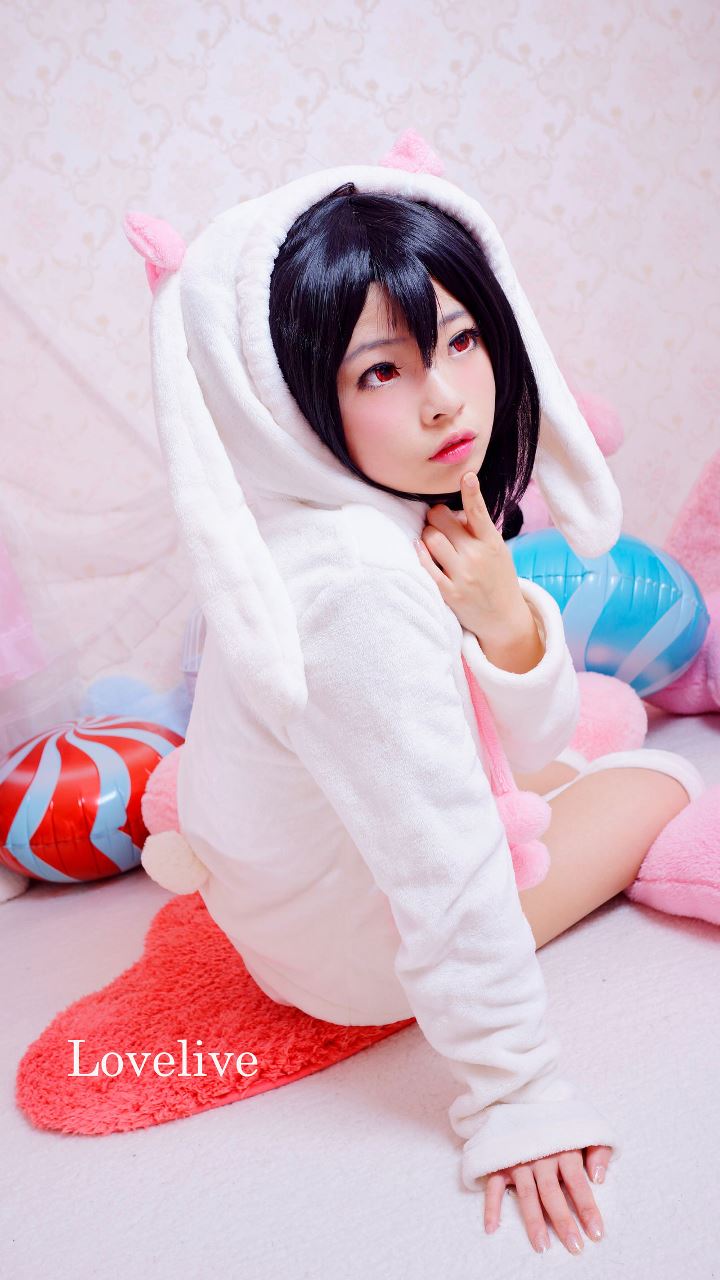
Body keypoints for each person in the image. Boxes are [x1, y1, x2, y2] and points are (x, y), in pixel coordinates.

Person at [137, 155, 706, 1257]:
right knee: (659, 776)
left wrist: (500, 615)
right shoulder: (354, 587)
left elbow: (524, 732)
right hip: (354, 956)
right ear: (298, 393)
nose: (444, 395)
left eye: (460, 340)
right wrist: (518, 1091)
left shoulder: (348, 515)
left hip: (290, 892)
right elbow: (445, 867)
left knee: (575, 723)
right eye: (381, 371)